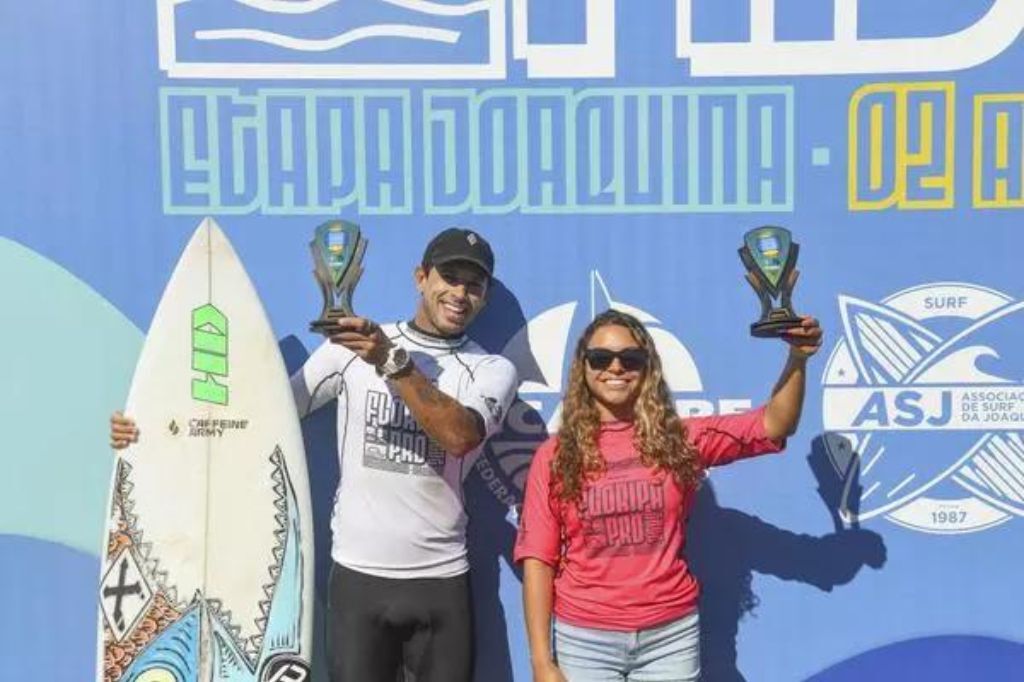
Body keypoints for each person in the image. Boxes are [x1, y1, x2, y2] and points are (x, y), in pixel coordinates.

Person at [111, 227, 519, 682]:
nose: (460, 293)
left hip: (441, 581)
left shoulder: (491, 369)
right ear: (421, 277)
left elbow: (460, 436)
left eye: (474, 284)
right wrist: (151, 430)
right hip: (358, 582)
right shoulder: (350, 349)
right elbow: (261, 419)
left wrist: (392, 362)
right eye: (450, 276)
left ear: (483, 296)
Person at [514, 309, 822, 682]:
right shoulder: (555, 455)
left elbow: (775, 424)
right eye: (600, 358)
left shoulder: (679, 439)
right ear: (583, 367)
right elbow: (537, 559)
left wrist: (797, 358)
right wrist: (541, 660)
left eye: (630, 358)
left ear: (647, 368)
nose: (615, 367)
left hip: (669, 637)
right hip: (584, 639)